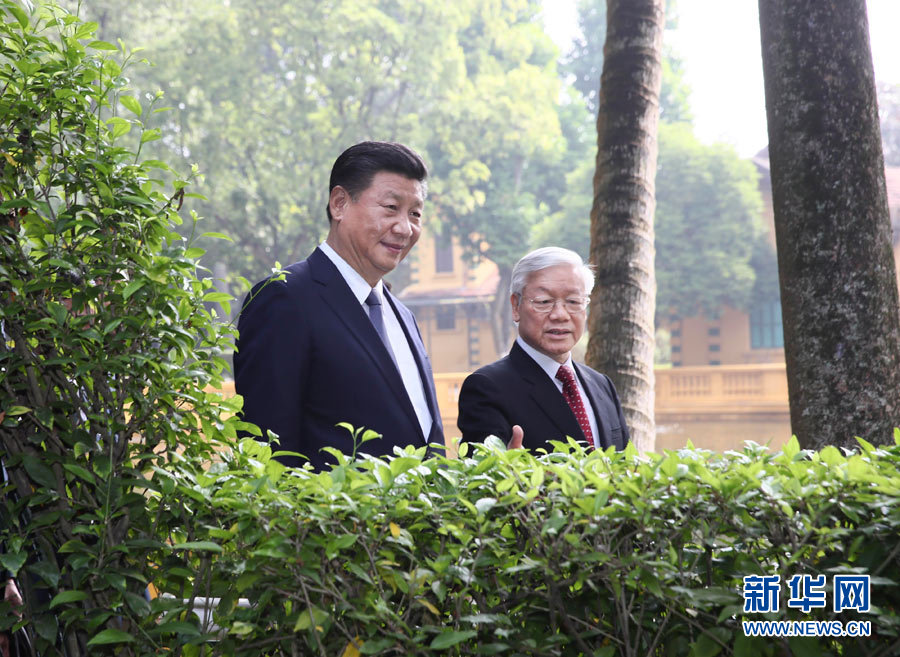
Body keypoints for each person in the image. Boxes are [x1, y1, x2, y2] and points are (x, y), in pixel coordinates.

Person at [234, 141, 443, 470]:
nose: (405, 228)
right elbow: (267, 452)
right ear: (339, 204)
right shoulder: (283, 298)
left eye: (415, 214)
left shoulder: (403, 316)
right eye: (391, 207)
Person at [457, 247, 629, 452]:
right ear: (516, 306)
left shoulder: (601, 385)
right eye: (544, 301)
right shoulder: (487, 388)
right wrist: (510, 468)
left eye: (573, 301)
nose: (560, 315)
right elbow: (482, 470)